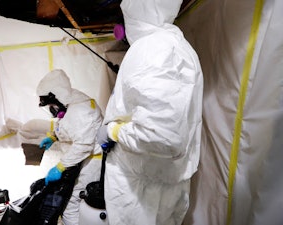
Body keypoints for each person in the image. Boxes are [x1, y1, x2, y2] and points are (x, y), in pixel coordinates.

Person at [96, 0, 204, 224]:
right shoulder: (175, 44)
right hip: (159, 181)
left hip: (142, 191)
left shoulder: (152, 48)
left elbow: (161, 136)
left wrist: (113, 131)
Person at [36, 69, 103, 225]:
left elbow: (84, 144)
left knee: (70, 204)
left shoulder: (81, 110)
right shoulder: (71, 100)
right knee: (72, 201)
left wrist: (60, 167)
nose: (51, 109)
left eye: (51, 104)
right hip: (81, 160)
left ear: (57, 96)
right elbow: (69, 125)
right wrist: (54, 136)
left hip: (90, 162)